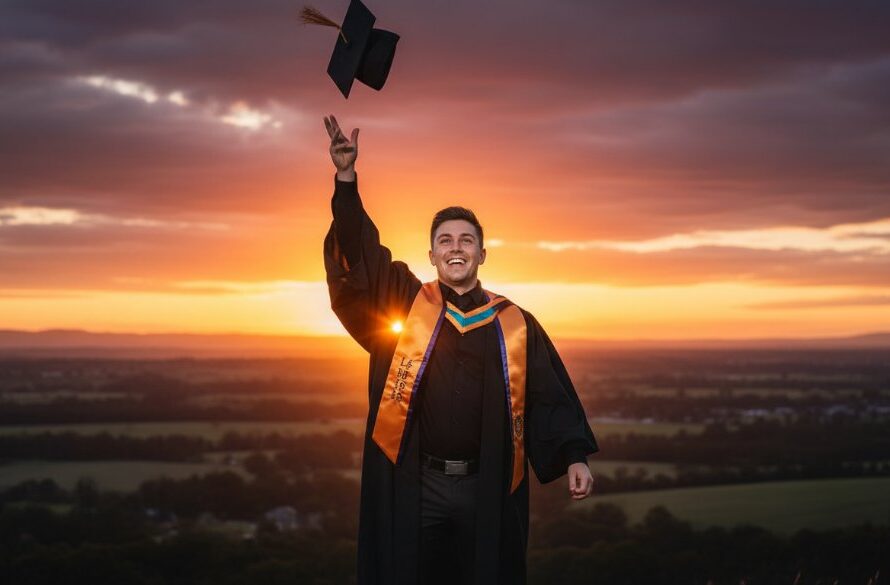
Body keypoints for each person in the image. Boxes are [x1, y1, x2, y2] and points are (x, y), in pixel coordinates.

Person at [322, 114, 598, 585]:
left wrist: (574, 454)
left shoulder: (514, 323)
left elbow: (548, 395)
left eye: (466, 240)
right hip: (416, 484)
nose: (456, 248)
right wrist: (346, 180)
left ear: (482, 254)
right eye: (445, 240)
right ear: (431, 255)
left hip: (485, 485)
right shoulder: (407, 302)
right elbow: (364, 254)